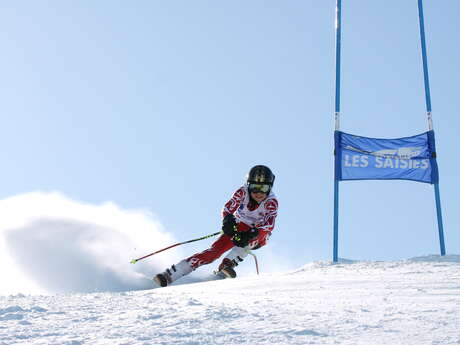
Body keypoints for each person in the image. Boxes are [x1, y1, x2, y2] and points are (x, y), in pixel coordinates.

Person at [154, 165, 279, 287]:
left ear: (270, 187)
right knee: (213, 253)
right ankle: (172, 274)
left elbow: (269, 224)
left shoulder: (271, 202)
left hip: (258, 232)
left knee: (250, 240)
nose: (258, 193)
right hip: (239, 225)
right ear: (248, 185)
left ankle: (227, 265)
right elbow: (228, 207)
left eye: (263, 188)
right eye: (254, 187)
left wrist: (252, 233)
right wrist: (228, 221)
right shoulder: (243, 192)